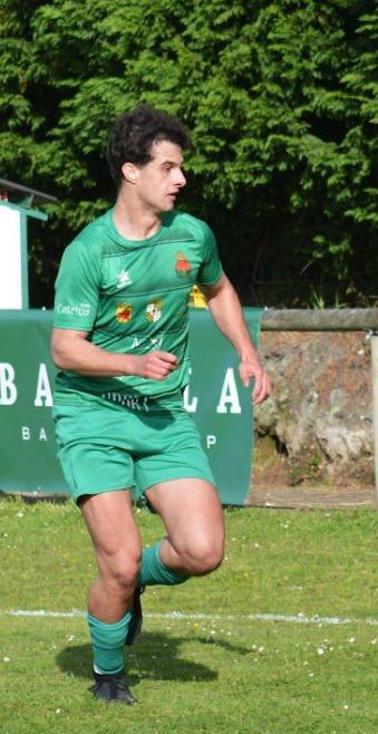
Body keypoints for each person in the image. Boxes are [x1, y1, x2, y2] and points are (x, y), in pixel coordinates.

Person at [50, 105, 271, 703]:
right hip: (93, 417)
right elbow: (66, 350)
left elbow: (219, 288)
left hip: (163, 414)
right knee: (116, 564)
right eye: (169, 167)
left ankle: (136, 587)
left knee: (203, 551)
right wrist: (131, 364)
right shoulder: (88, 252)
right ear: (131, 172)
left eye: (181, 167)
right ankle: (107, 674)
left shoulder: (192, 236)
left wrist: (246, 353)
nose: (181, 179)